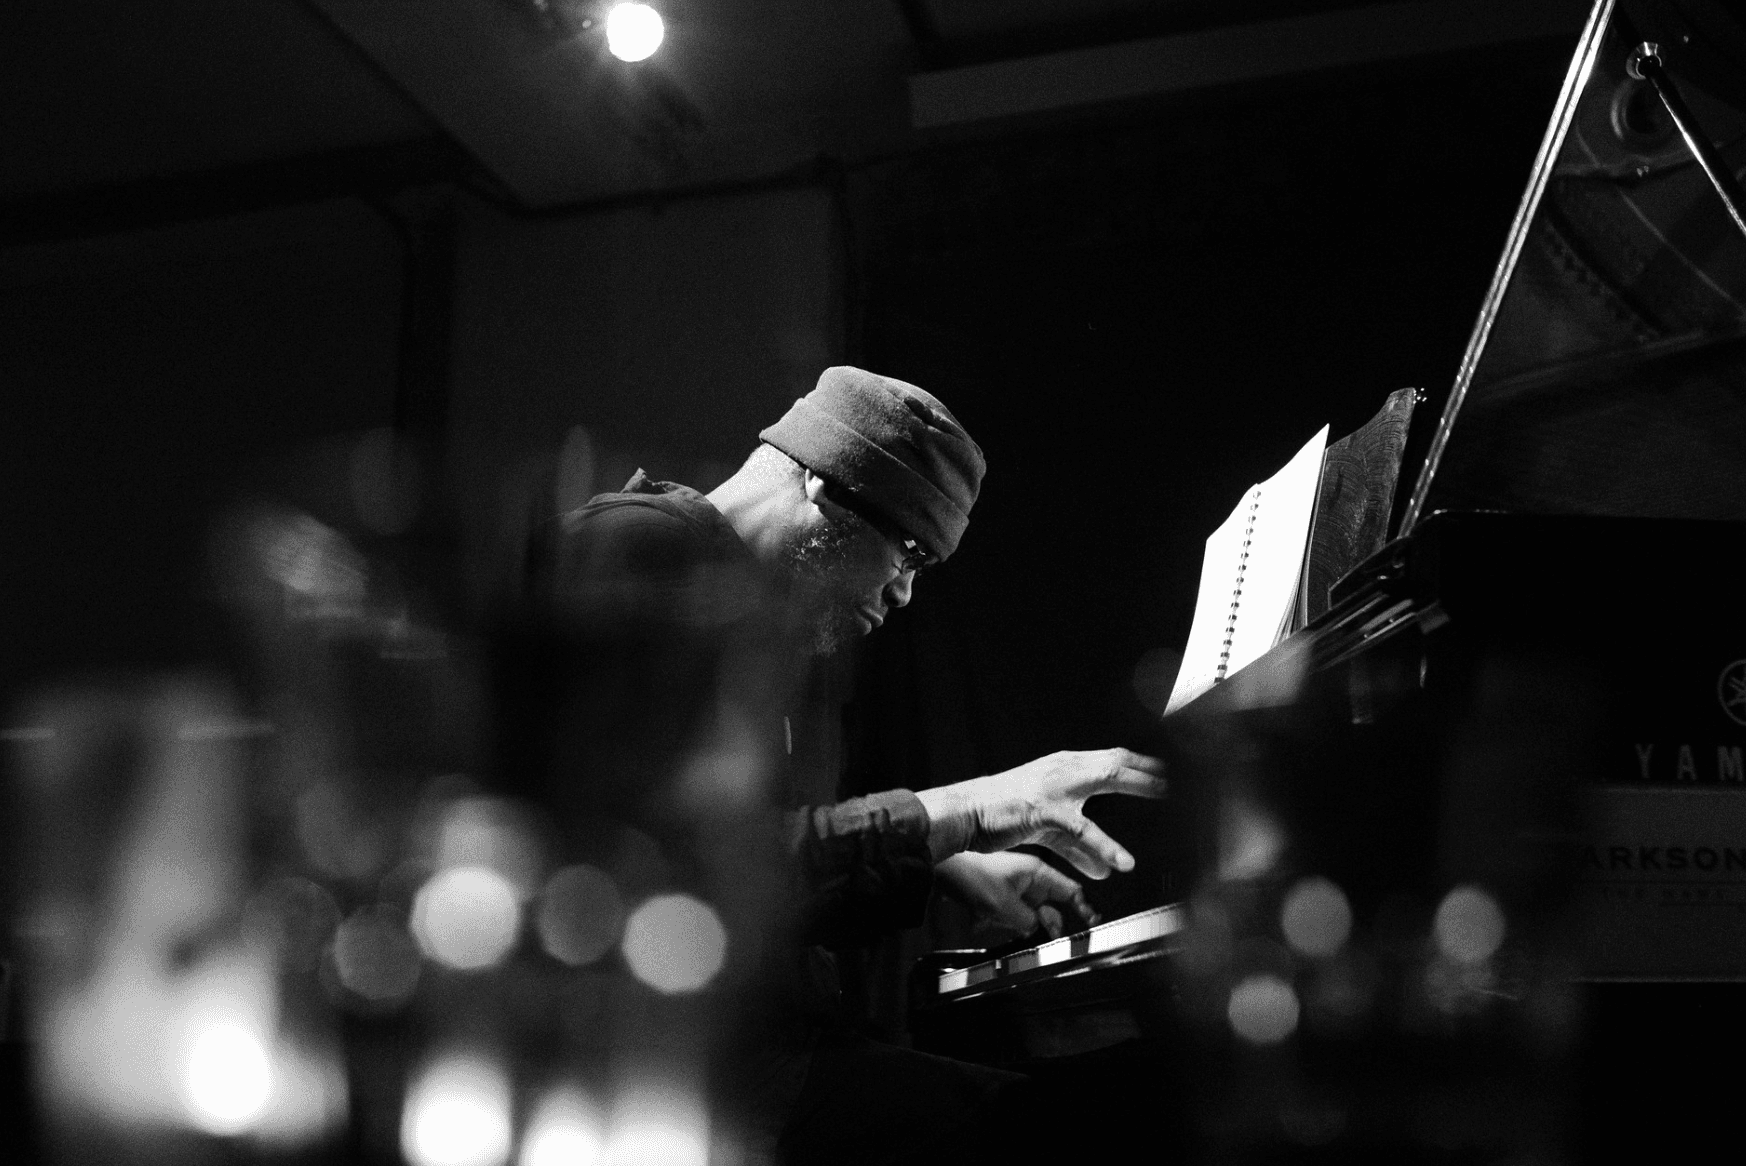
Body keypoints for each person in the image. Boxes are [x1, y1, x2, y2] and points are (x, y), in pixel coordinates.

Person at [520, 366, 1168, 1163]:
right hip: (672, 1087)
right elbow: (669, 878)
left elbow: (761, 867)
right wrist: (963, 808)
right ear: (824, 490)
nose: (902, 595)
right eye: (907, 553)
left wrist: (939, 867)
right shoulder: (641, 550)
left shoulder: (741, 621)